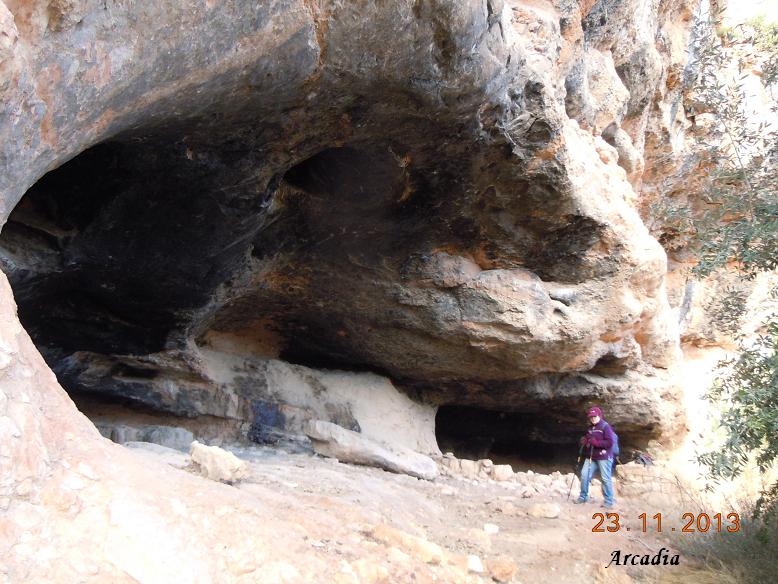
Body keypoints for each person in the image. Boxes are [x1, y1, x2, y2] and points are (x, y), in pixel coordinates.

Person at [574, 406, 616, 508]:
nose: (592, 418)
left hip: (604, 457)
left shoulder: (605, 427)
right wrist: (585, 441)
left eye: (594, 416)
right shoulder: (590, 428)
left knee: (605, 479)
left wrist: (597, 443)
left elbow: (610, 442)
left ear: (599, 416)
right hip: (591, 457)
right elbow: (589, 439)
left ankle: (609, 501)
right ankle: (583, 496)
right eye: (591, 417)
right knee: (584, 475)